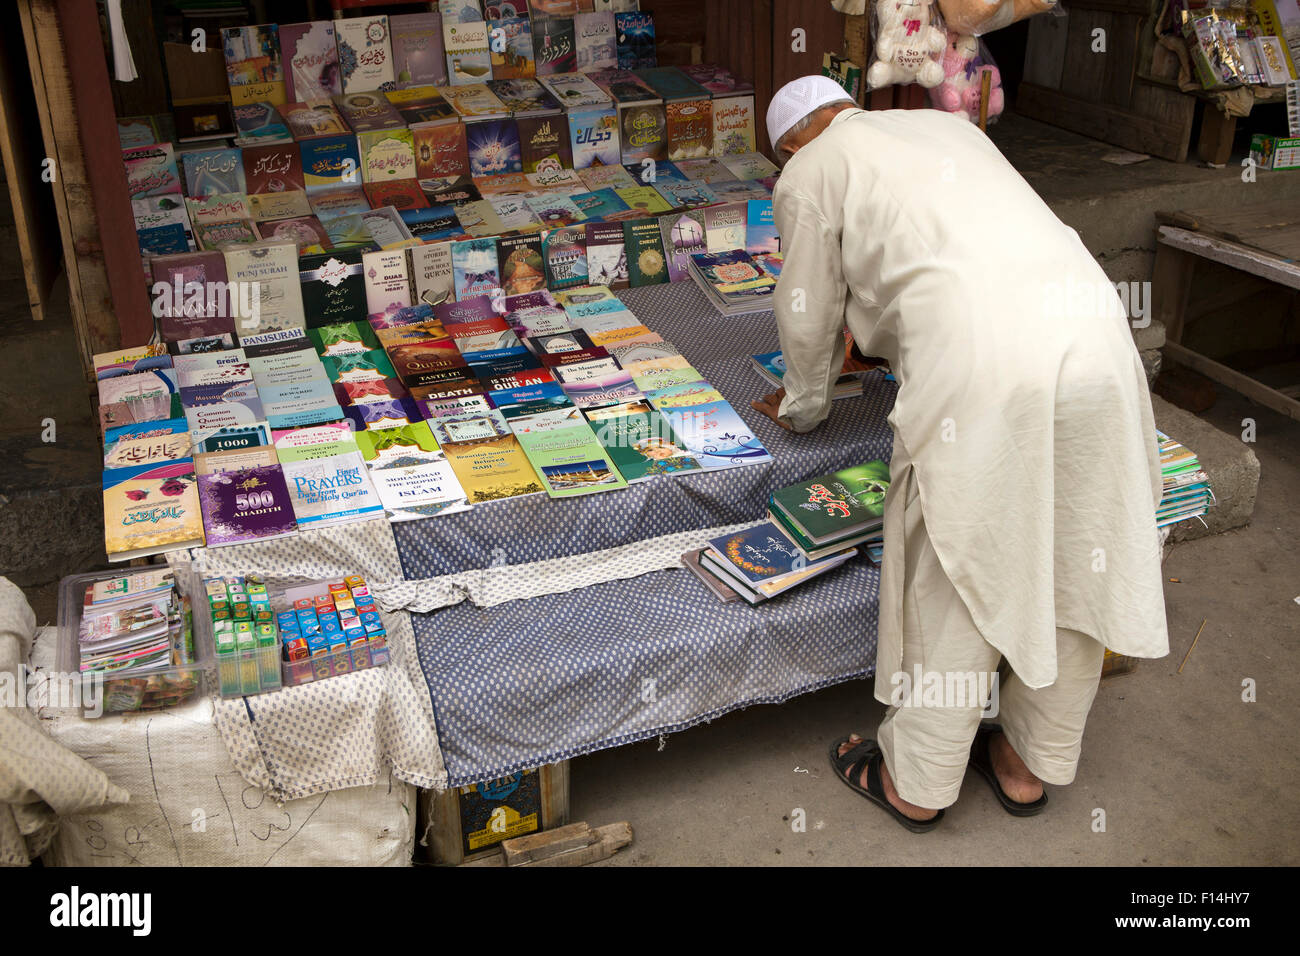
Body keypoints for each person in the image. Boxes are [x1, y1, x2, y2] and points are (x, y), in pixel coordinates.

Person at [752, 76, 1169, 831]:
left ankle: (919, 780)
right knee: (1078, 552)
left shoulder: (809, 171)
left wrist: (803, 405)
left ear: (790, 143)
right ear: (846, 106)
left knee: (956, 564)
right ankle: (1028, 764)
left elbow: (806, 311)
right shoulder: (947, 128)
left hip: (987, 367)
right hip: (1098, 342)